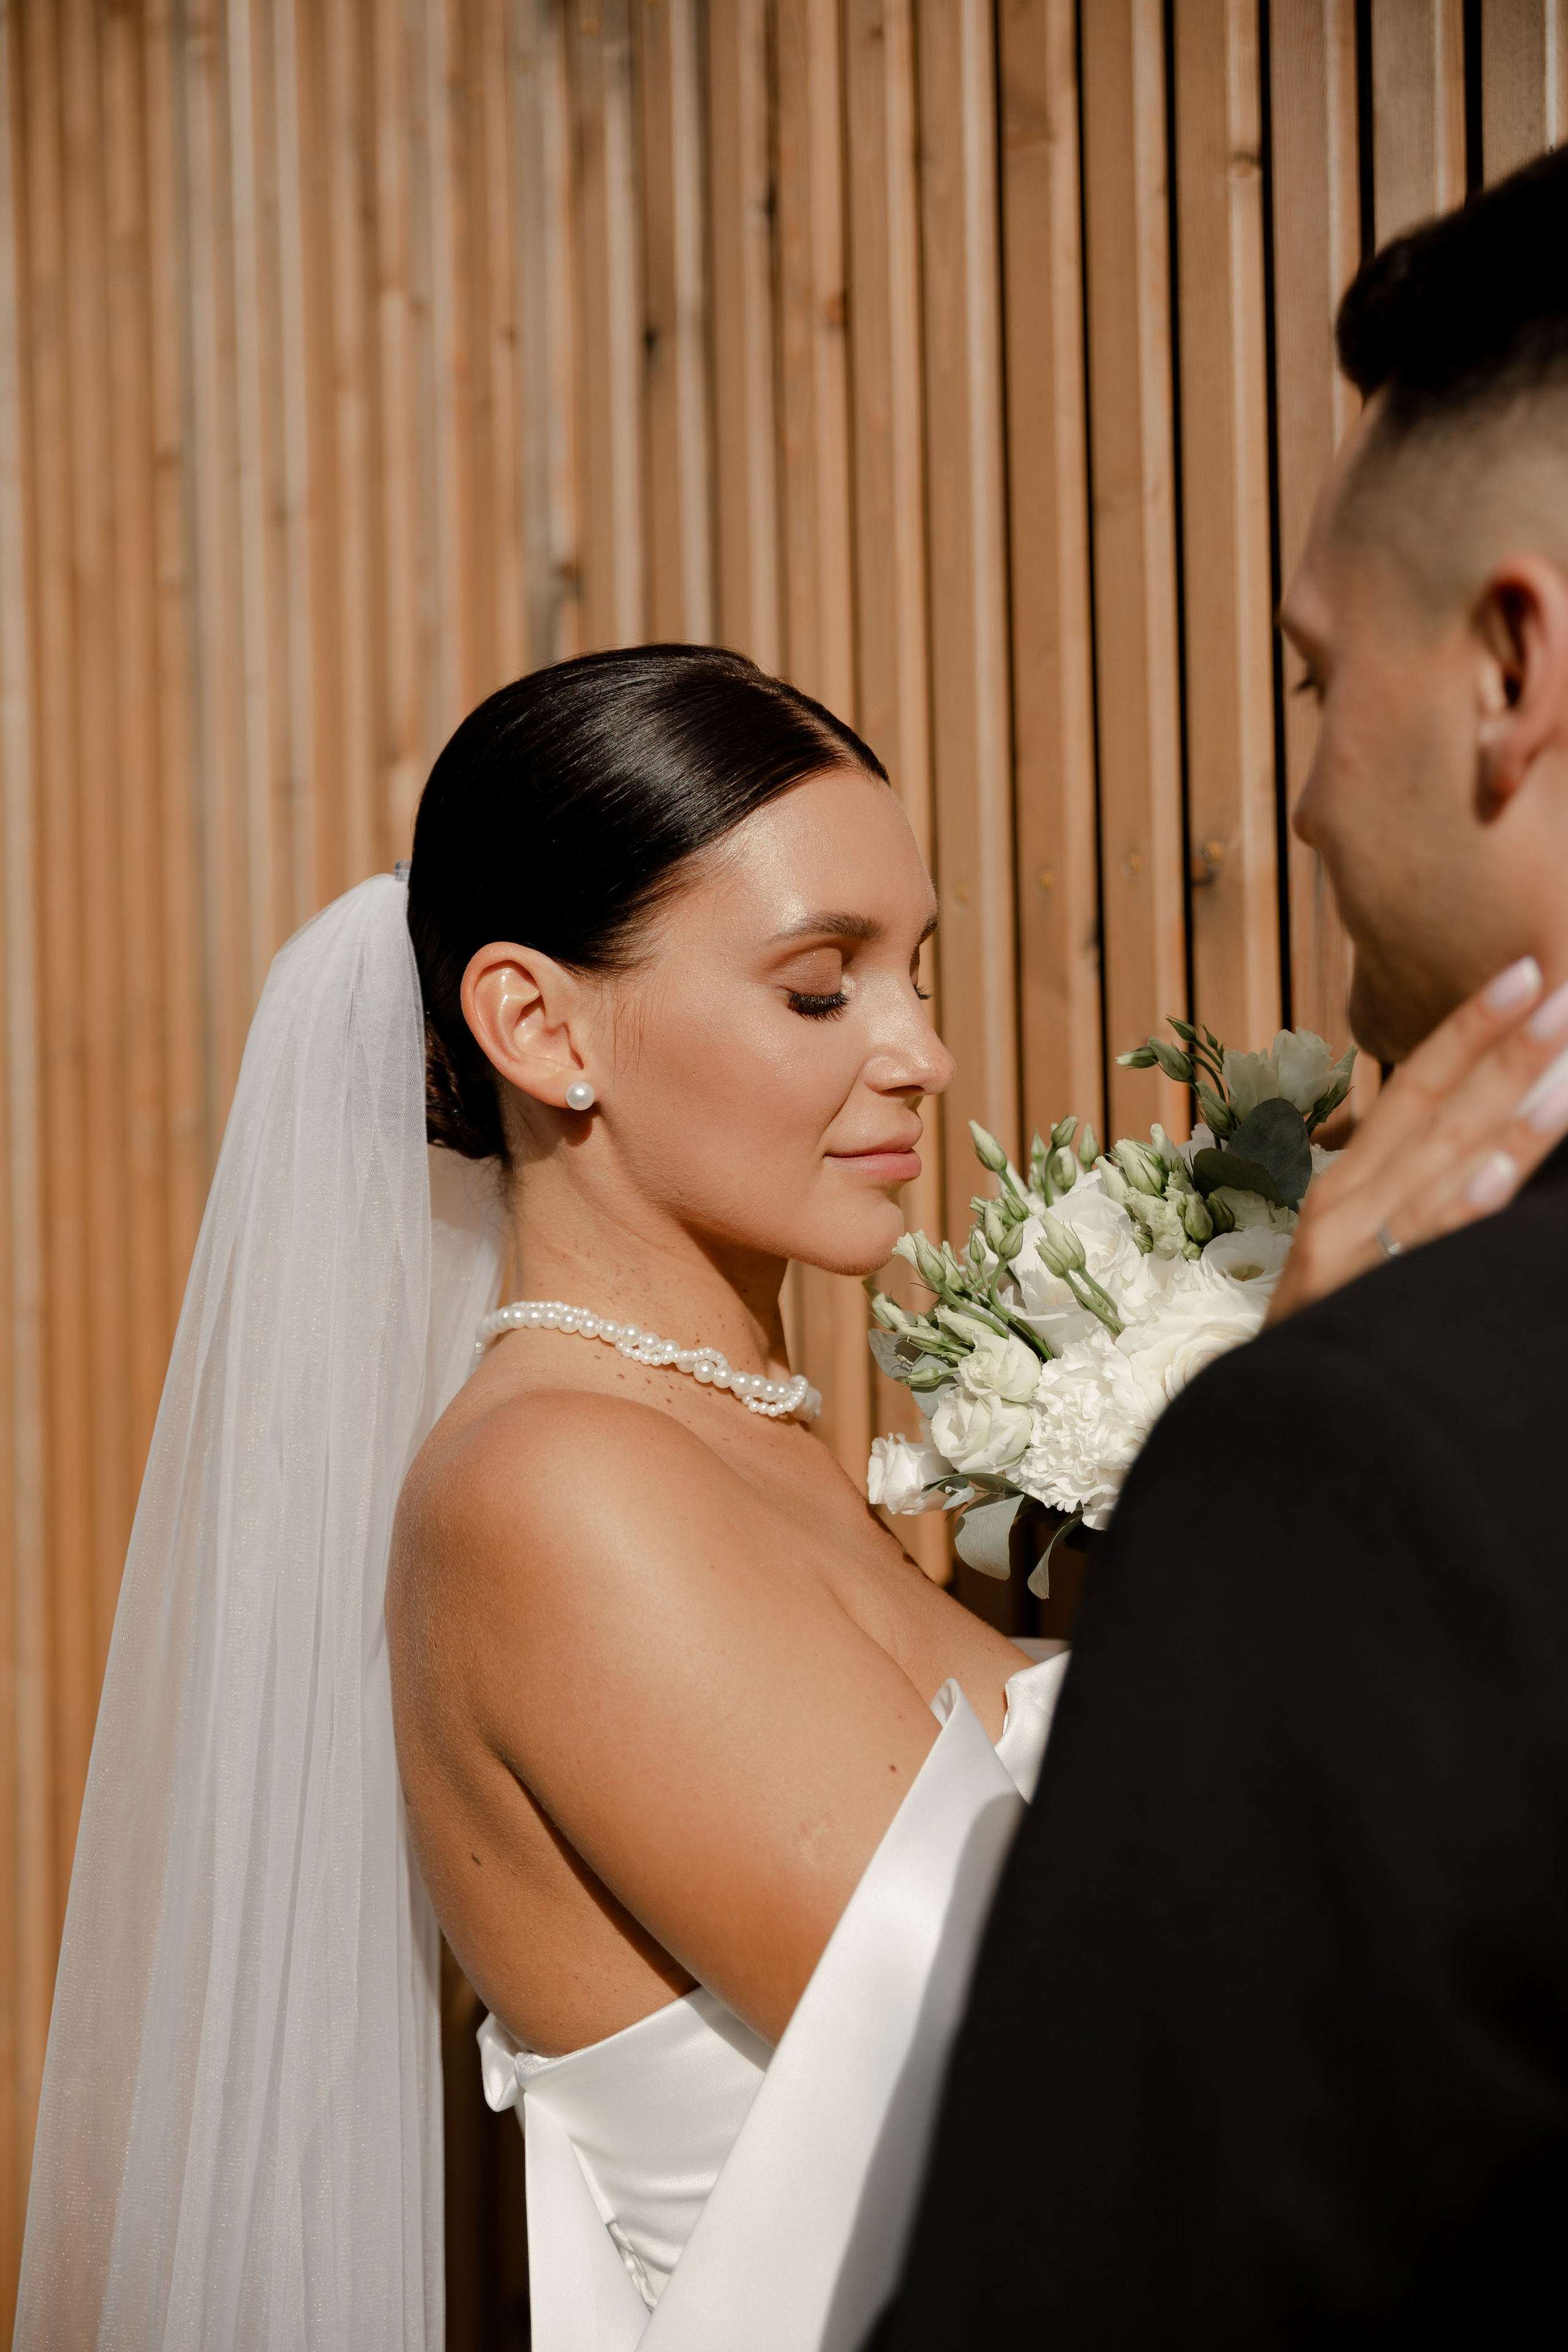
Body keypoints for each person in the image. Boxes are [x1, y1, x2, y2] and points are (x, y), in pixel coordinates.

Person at [13, 647, 1568, 2346]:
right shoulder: (549, 1492)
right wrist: (1295, 1442)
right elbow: (1061, 2064)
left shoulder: (745, 1447)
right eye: (823, 990)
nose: (926, 1054)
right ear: (540, 1025)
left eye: (919, 975)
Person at [867, 145, 1568, 2351]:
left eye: (1304, 677)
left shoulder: (1378, 1471)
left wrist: (1283, 1416)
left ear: (1513, 663)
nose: (1301, 792)